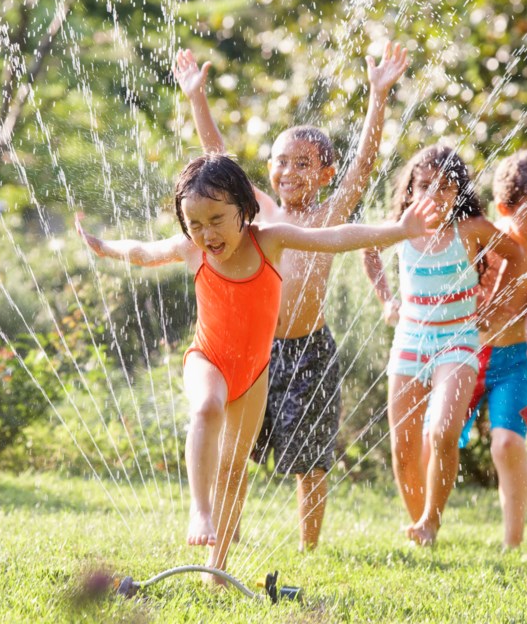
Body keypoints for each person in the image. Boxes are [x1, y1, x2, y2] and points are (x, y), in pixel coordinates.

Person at [77, 154, 437, 580]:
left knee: (233, 467)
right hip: (207, 358)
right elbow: (141, 252)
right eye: (194, 224)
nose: (207, 234)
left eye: (216, 219)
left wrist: (400, 230)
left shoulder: (270, 240)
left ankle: (217, 567)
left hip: (254, 374)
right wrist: (104, 247)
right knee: (207, 406)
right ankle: (199, 511)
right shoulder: (192, 250)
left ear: (244, 209)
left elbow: (337, 236)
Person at [173, 41, 410, 551]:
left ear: (326, 174)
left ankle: (308, 546)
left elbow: (364, 165)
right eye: (281, 162)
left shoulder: (325, 216)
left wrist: (378, 96)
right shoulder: (256, 213)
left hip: (309, 349)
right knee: (234, 449)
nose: (288, 173)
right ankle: (223, 532)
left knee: (311, 456)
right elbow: (217, 164)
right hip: (251, 352)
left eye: (304, 164)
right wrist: (198, 101)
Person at [363, 144, 522, 546]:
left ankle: (432, 520)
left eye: (446, 187)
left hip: (458, 342)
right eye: (425, 186)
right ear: (411, 189)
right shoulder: (400, 228)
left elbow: (515, 255)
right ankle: (419, 525)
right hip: (411, 340)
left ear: (459, 192)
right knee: (403, 443)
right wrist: (387, 299)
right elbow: (367, 249)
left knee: (443, 432)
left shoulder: (471, 231)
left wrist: (495, 304)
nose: (435, 195)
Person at [457, 149, 527, 549]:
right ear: (504, 207)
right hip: (467, 353)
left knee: (507, 443)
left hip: (515, 359)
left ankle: (512, 543)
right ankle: (427, 521)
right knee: (442, 436)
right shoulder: (484, 241)